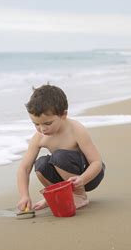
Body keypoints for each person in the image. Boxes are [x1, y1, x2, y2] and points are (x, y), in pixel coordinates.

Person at [16, 84, 106, 212]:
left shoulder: (76, 129)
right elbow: (24, 168)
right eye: (36, 124)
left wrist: (82, 179)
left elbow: (96, 162)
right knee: (41, 164)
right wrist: (24, 196)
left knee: (59, 156)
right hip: (67, 178)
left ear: (63, 115)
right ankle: (59, 195)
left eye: (48, 123)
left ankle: (79, 195)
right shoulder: (39, 137)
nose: (42, 129)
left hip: (89, 176)